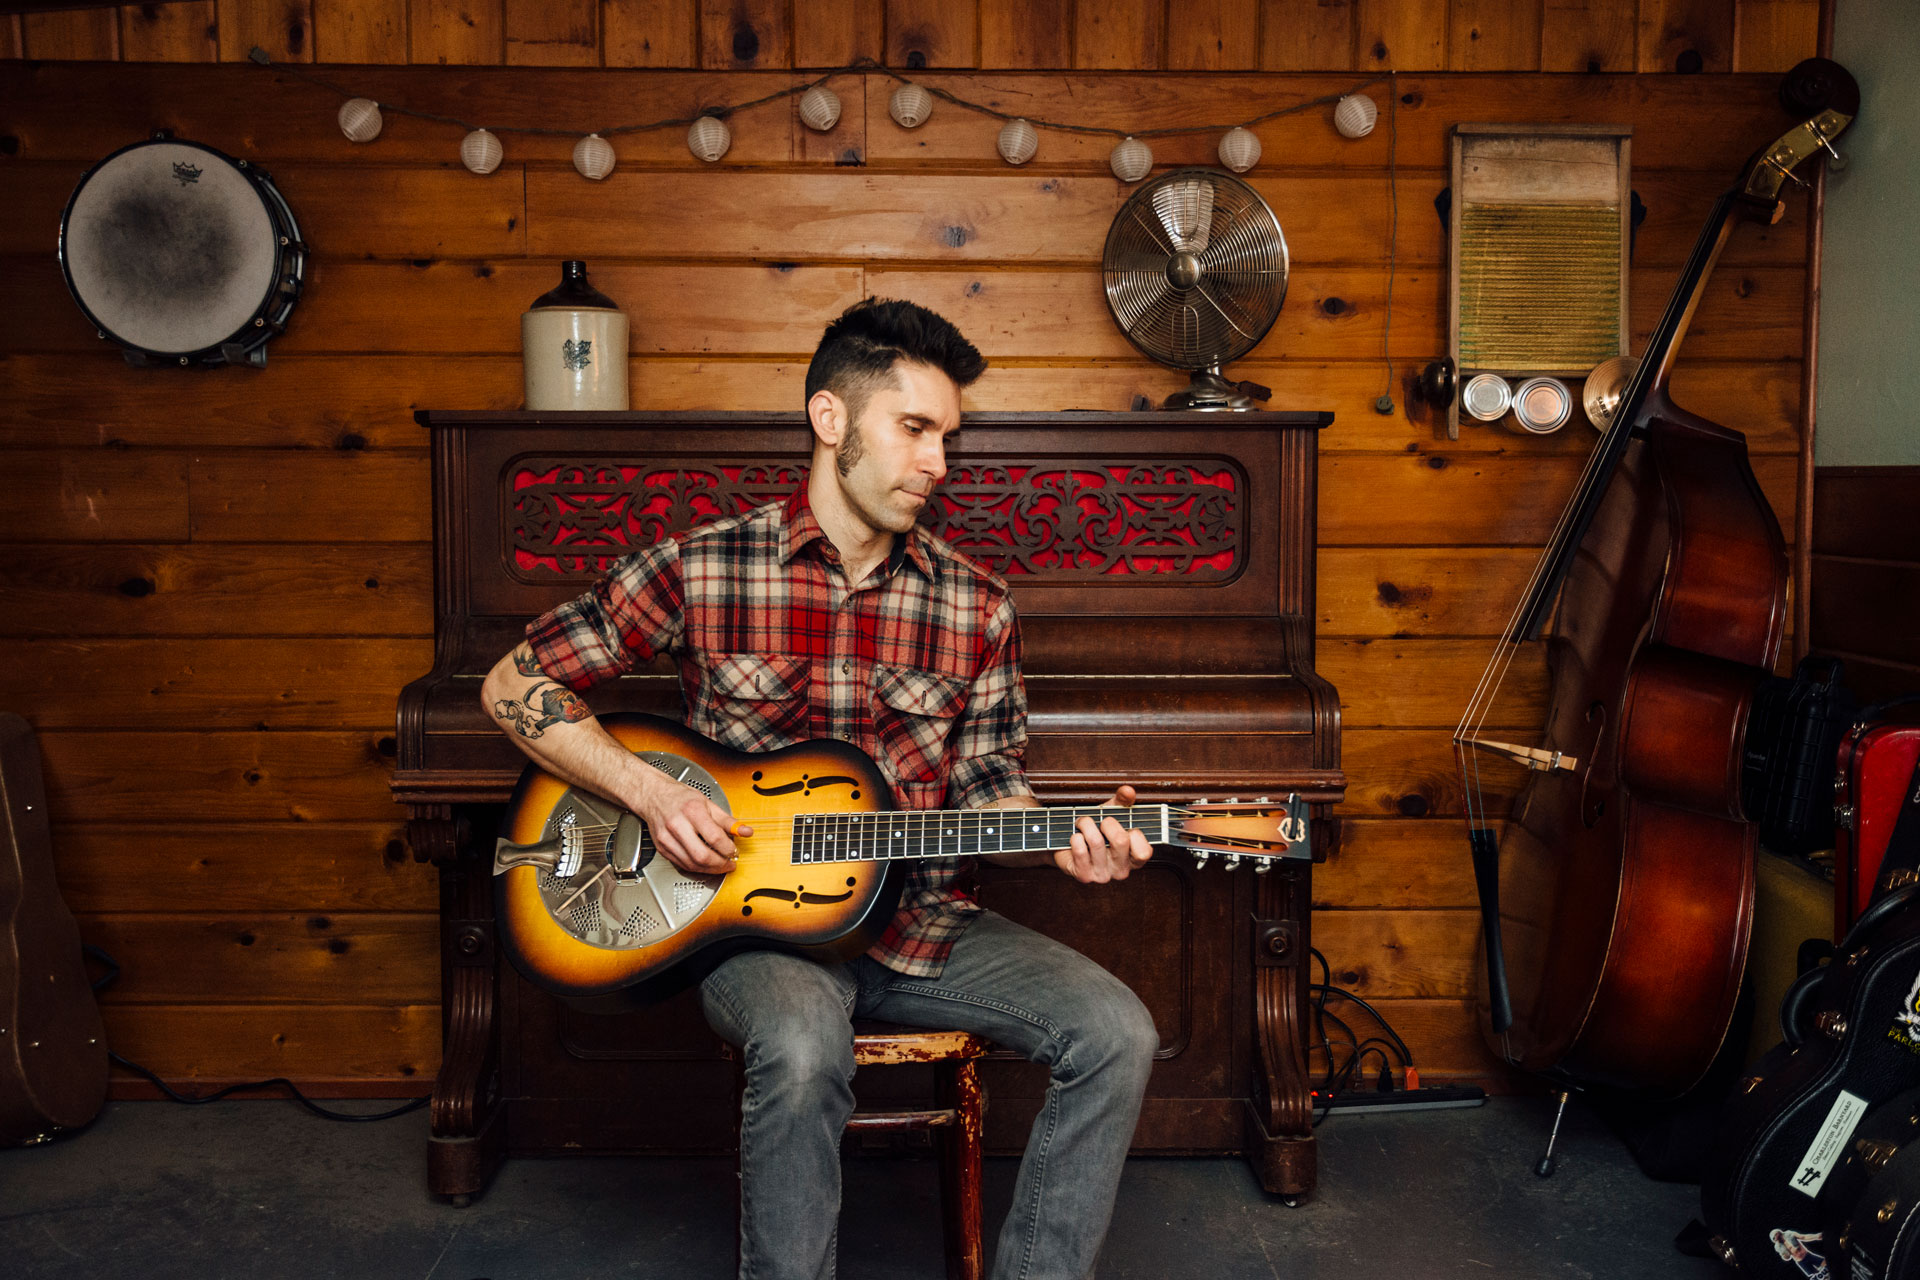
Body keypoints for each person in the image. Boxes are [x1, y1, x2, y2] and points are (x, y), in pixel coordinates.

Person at [480, 297, 1160, 1280]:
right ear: (830, 419)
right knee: (803, 1046)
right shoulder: (706, 566)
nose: (938, 462)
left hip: (925, 927)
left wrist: (1065, 834)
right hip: (755, 929)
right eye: (915, 429)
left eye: (949, 438)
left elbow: (991, 788)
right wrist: (651, 794)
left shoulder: (976, 605)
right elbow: (514, 682)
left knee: (1118, 1031)